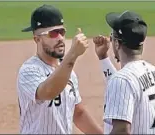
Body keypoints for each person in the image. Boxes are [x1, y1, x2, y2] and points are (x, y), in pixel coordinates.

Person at [17, 4, 103, 134]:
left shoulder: (68, 71)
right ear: (37, 39)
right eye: (53, 34)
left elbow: (78, 113)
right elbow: (48, 92)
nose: (60, 38)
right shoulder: (29, 71)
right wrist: (72, 55)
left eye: (62, 32)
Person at [93, 10, 155, 134]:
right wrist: (103, 58)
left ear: (117, 43)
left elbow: (121, 131)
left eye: (112, 37)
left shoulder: (122, 80)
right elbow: (125, 87)